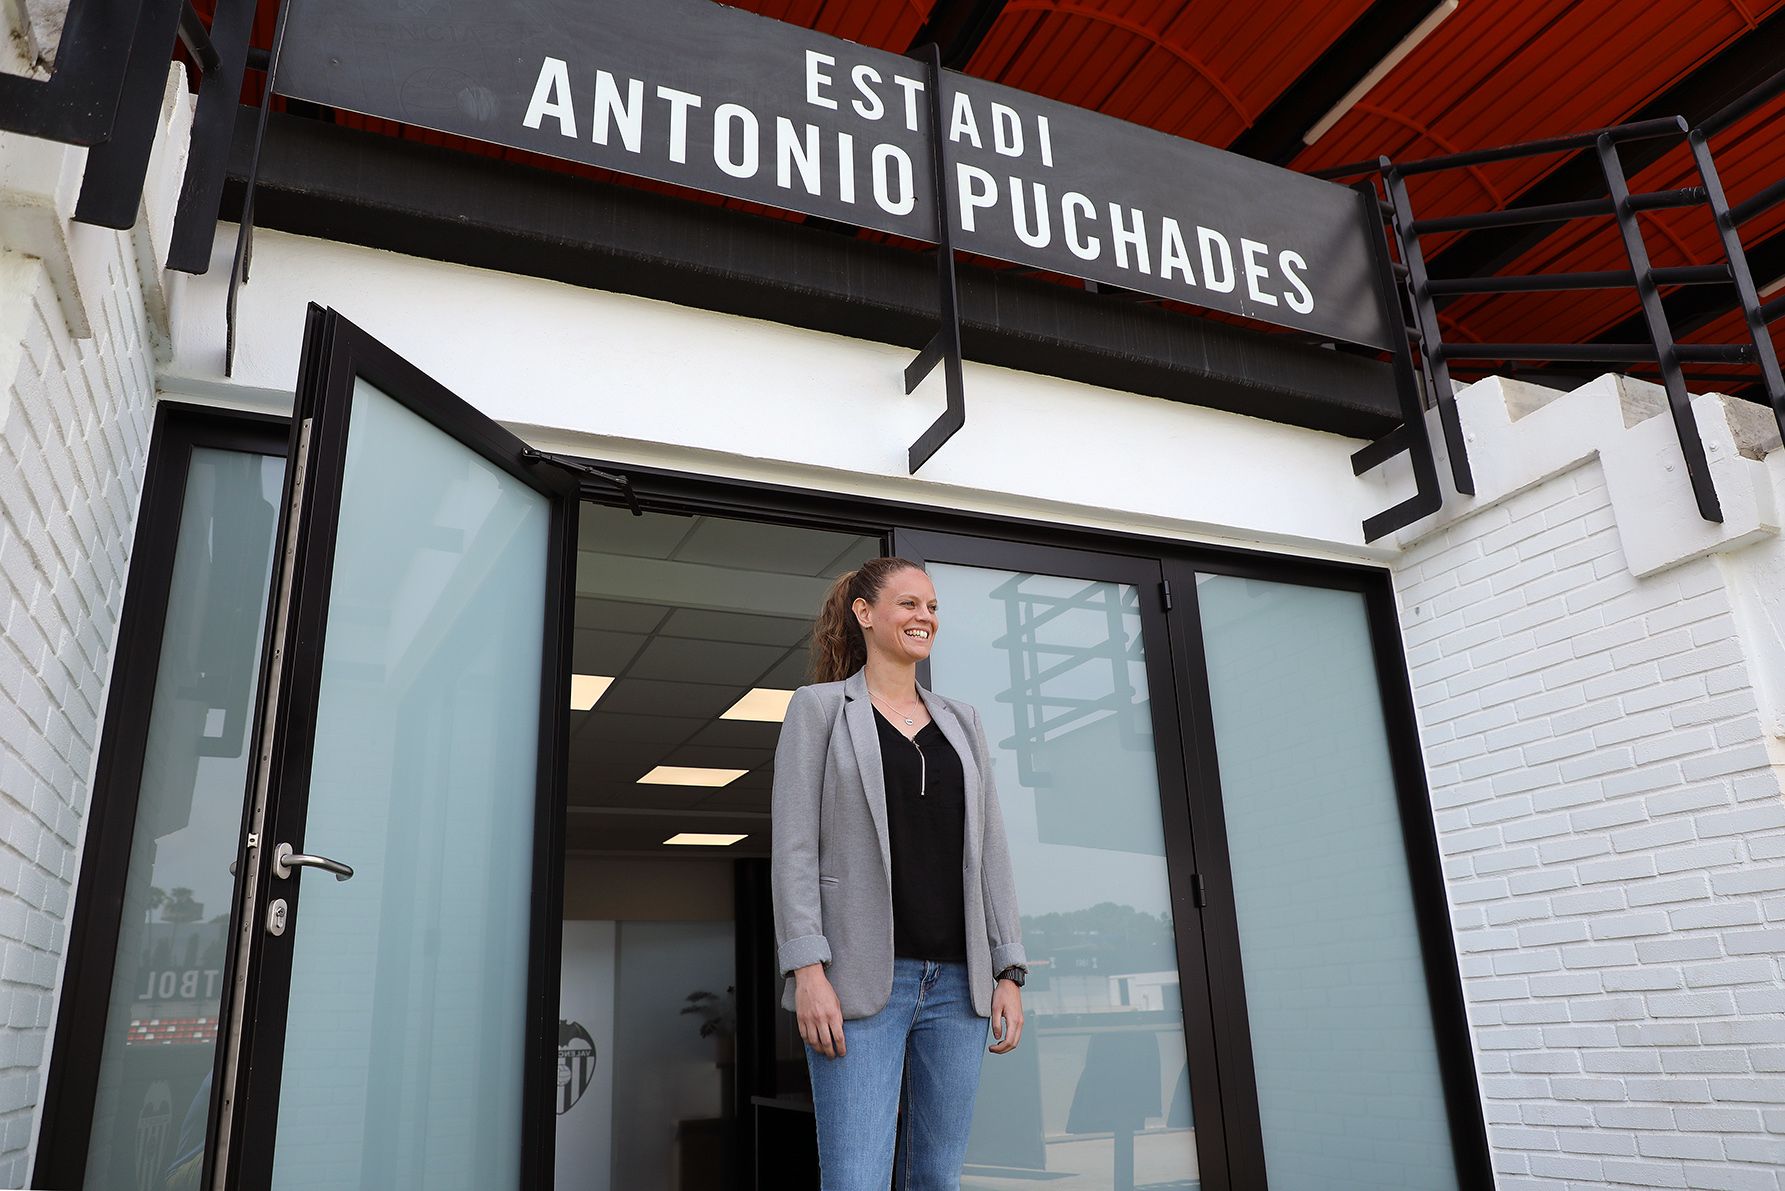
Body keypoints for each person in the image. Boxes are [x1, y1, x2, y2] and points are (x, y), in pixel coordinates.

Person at [771, 556, 1028, 1190]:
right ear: (864, 613)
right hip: (856, 981)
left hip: (958, 987)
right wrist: (807, 970)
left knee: (937, 1177)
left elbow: (990, 849)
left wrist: (1008, 968)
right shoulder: (820, 709)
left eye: (932, 607)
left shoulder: (962, 720)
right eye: (909, 604)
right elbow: (795, 847)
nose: (925, 617)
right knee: (856, 1178)